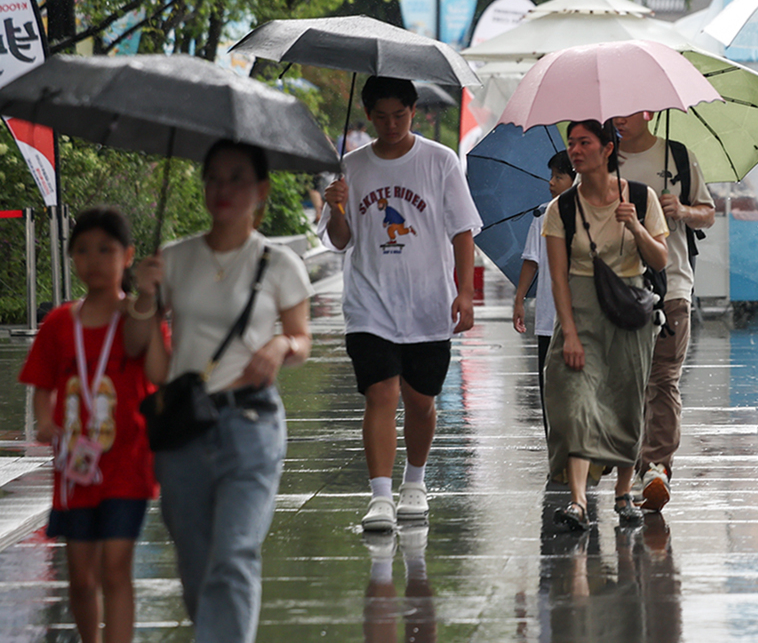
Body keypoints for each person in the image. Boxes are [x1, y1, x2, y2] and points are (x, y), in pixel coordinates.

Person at [129, 141, 312, 643]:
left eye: (237, 178)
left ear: (261, 191)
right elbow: (150, 358)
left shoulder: (278, 263)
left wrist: (279, 344)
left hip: (251, 425)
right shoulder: (173, 259)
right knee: (194, 561)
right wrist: (144, 297)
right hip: (185, 427)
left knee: (233, 556)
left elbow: (302, 341)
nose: (223, 189)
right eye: (214, 177)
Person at [321, 76, 482, 532]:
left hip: (428, 303)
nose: (392, 124)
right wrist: (336, 207)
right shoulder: (350, 167)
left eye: (400, 115)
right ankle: (380, 496)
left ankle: (415, 481)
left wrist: (465, 291)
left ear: (415, 111)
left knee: (420, 401)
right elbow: (340, 241)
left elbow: (462, 230)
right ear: (369, 115)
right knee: (381, 393)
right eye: (382, 116)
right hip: (369, 303)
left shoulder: (440, 161)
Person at [19, 208, 161, 643]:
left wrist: (152, 302)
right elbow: (42, 383)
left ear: (128, 256)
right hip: (75, 471)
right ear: (71, 259)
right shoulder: (60, 323)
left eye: (106, 249)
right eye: (82, 250)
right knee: (80, 576)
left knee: (116, 567)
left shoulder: (136, 317)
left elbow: (159, 371)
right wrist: (44, 421)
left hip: (128, 465)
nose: (94, 259)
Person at [542, 119, 669, 531]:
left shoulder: (641, 197)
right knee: (575, 401)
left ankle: (622, 493)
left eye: (585, 143)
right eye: (571, 143)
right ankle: (579, 501)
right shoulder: (559, 209)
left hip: (629, 309)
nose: (575, 151)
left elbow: (661, 260)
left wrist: (634, 225)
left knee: (625, 402)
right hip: (579, 311)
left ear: (607, 149)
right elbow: (558, 278)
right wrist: (570, 334)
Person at [612, 110, 715, 512]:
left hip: (672, 283)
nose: (618, 119)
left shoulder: (678, 157)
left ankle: (657, 466)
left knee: (664, 378)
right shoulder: (606, 161)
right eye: (613, 113)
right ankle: (636, 464)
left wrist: (683, 211)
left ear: (649, 112)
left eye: (627, 111)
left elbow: (707, 211)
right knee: (628, 383)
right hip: (619, 287)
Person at [513, 150, 576, 434]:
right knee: (549, 387)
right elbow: (531, 261)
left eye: (558, 176)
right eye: (551, 176)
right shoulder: (542, 215)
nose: (551, 182)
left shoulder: (592, 216)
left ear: (575, 180)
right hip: (549, 320)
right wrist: (519, 299)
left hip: (582, 317)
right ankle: (557, 447)